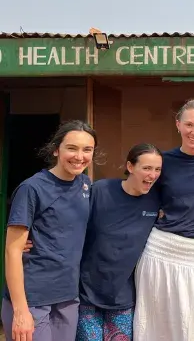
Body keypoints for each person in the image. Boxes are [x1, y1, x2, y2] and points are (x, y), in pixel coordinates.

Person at [133, 97, 194, 341]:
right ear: (178, 124)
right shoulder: (164, 161)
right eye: (189, 124)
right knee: (154, 330)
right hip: (159, 250)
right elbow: (141, 198)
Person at [2, 120, 96, 341]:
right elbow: (12, 251)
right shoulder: (32, 188)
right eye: (71, 148)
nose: (79, 156)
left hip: (68, 296)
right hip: (33, 298)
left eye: (87, 150)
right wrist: (21, 311)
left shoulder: (84, 184)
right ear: (56, 149)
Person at [76, 143, 163, 341]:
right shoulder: (101, 190)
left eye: (157, 169)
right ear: (130, 167)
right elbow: (72, 223)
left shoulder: (155, 200)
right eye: (147, 168)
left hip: (124, 297)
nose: (153, 175)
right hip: (87, 292)